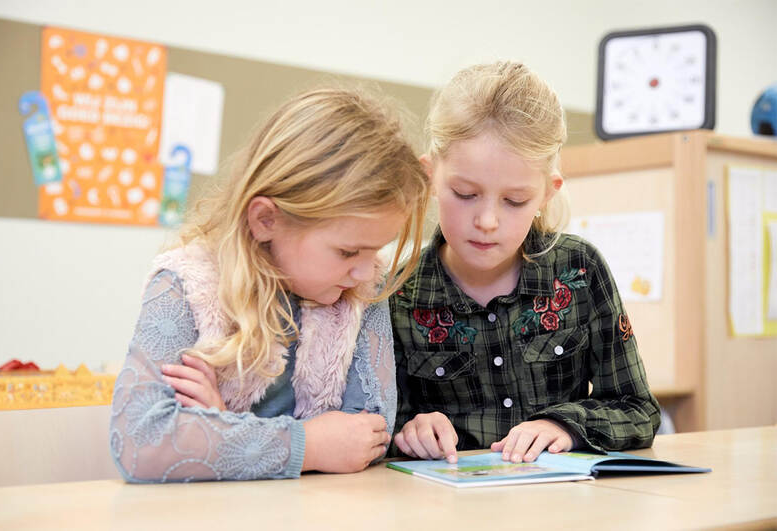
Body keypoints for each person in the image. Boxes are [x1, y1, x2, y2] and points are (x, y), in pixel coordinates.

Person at [110, 88, 428, 482]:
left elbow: (365, 436)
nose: (365, 273)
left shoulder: (361, 292)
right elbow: (142, 442)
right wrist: (307, 445)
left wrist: (220, 426)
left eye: (375, 251)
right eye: (348, 252)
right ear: (266, 220)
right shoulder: (184, 286)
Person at [390, 61, 660, 465]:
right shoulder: (397, 293)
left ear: (546, 195)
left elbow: (638, 411)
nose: (486, 221)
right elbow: (377, 426)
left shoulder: (579, 271)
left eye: (515, 202)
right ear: (431, 176)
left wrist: (564, 425)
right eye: (465, 193)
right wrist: (410, 430)